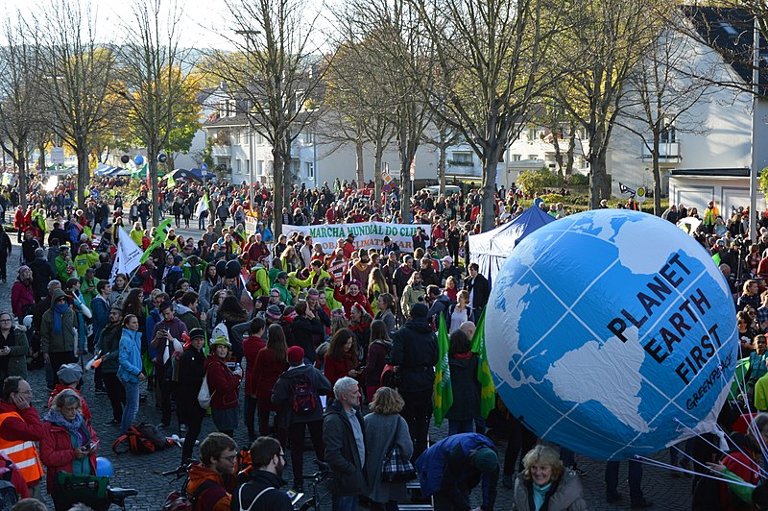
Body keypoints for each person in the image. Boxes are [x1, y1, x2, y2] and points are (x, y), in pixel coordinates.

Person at [271, 346, 332, 492]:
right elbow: (327, 386)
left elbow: (276, 399)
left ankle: (298, 481)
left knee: (296, 450)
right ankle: (325, 474)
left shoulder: (285, 378)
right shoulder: (313, 372)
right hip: (315, 413)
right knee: (319, 444)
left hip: (294, 416)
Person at [389, 302, 438, 460]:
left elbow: (396, 358)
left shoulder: (402, 334)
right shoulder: (431, 334)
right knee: (423, 418)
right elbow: (435, 358)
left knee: (408, 418)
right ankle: (422, 453)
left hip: (408, 381)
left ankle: (408, 454)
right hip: (425, 380)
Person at [40, 390, 98, 511]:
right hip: (64, 484)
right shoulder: (49, 427)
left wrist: (92, 445)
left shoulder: (80, 421)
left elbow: (92, 436)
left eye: (75, 408)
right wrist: (73, 454)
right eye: (69, 409)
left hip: (86, 479)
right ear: (59, 408)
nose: (73, 412)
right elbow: (47, 457)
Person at [415, 432, 498, 511]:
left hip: (458, 461)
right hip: (434, 462)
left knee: (462, 494)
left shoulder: (491, 460)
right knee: (443, 500)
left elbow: (490, 485)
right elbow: (448, 484)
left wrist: (486, 507)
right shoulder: (458, 455)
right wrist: (465, 508)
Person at [364, 387, 413, 511]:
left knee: (375, 502)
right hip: (392, 470)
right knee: (392, 502)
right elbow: (406, 449)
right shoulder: (399, 421)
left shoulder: (367, 420)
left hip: (372, 467)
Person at [323, 377, 367, 511]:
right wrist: (351, 470)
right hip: (344, 481)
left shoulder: (355, 414)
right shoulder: (333, 421)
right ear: (344, 396)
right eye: (354, 392)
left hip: (353, 478)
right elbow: (332, 454)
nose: (359, 395)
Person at [0, 377, 44, 495]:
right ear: (13, 395)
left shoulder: (12, 412)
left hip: (21, 479)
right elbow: (38, 433)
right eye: (26, 392)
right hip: (21, 482)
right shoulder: (8, 420)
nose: (31, 396)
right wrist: (28, 410)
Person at [512, 445, 587, 511]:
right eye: (534, 467)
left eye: (543, 468)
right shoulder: (522, 487)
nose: (538, 472)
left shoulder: (570, 493)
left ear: (553, 469)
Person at [230, 436, 293, 511]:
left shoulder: (239, 491)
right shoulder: (279, 499)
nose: (284, 461)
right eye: (282, 456)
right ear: (275, 459)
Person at [253, 325, 289, 442]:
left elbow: (256, 373)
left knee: (263, 419)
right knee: (281, 418)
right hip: (280, 390)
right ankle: (280, 444)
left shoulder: (263, 353)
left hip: (264, 389)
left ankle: (264, 443)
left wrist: (253, 390)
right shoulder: (285, 353)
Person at [186, 432, 237, 511]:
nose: (234, 462)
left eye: (235, 456)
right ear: (213, 459)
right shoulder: (219, 498)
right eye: (230, 458)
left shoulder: (196, 474)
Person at [178, 328, 208, 463]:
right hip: (190, 398)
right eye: (197, 340)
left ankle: (187, 456)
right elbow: (184, 378)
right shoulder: (188, 356)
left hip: (196, 396)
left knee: (195, 429)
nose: (199, 342)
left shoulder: (199, 353)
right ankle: (186, 458)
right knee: (193, 429)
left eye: (201, 340)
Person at [206, 336, 243, 438]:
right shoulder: (215, 365)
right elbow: (224, 387)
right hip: (223, 405)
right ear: (215, 349)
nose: (223, 350)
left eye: (225, 347)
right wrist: (237, 377)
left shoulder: (219, 362)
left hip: (225, 404)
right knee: (226, 436)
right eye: (220, 347)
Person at [446, 329, 480, 435]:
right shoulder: (474, 359)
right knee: (468, 426)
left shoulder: (448, 361)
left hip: (453, 396)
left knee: (453, 427)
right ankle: (468, 449)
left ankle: (452, 449)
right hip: (470, 395)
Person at [40, 288, 77, 382]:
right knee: (57, 375)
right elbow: (45, 335)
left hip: (69, 349)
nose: (62, 302)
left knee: (71, 374)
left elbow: (75, 330)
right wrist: (45, 351)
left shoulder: (71, 313)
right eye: (59, 300)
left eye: (63, 299)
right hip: (55, 350)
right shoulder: (47, 315)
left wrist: (78, 347)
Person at [117, 314, 145, 434]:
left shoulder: (133, 337)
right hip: (130, 376)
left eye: (137, 322)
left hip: (131, 375)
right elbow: (123, 360)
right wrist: (137, 371)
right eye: (133, 323)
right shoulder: (126, 340)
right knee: (133, 406)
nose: (136, 324)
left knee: (130, 405)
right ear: (127, 324)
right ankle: (127, 431)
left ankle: (125, 428)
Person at [96, 307, 124, 426]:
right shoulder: (106, 329)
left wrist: (109, 356)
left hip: (116, 367)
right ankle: (117, 417)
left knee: (122, 394)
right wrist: (97, 352)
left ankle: (127, 417)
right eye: (111, 313)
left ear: (120, 316)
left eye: (115, 314)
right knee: (112, 395)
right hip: (106, 367)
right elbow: (99, 344)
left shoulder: (121, 331)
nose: (112, 316)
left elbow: (120, 349)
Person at [0, 312, 29, 381]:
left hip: (16, 370)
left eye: (8, 320)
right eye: (3, 320)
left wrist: (10, 350)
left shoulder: (18, 332)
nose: (6, 322)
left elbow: (25, 348)